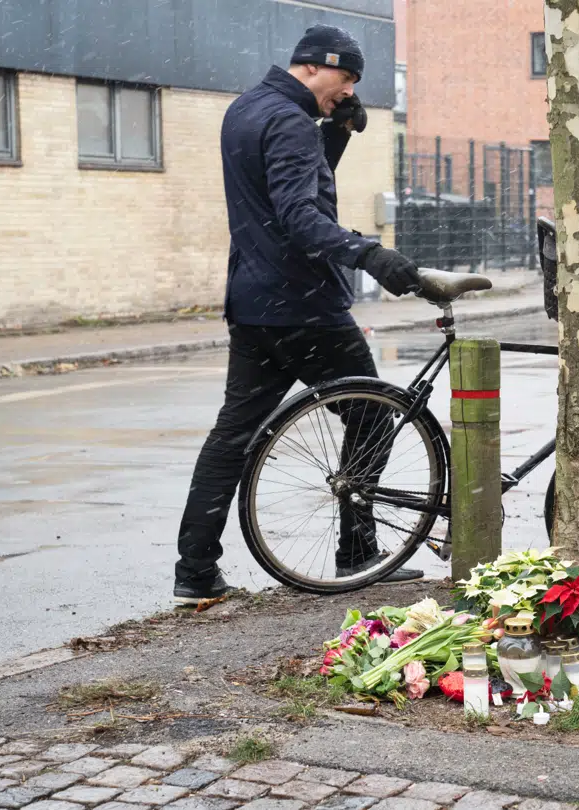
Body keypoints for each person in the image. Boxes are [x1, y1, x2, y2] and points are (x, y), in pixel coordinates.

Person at [173, 25, 425, 605]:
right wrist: (371, 254)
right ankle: (358, 551)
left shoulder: (245, 110)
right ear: (315, 66)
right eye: (346, 78)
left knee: (232, 435)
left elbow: (285, 188)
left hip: (254, 302)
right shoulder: (289, 121)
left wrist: (334, 135)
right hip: (305, 306)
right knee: (371, 417)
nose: (349, 90)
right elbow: (299, 216)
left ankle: (194, 570)